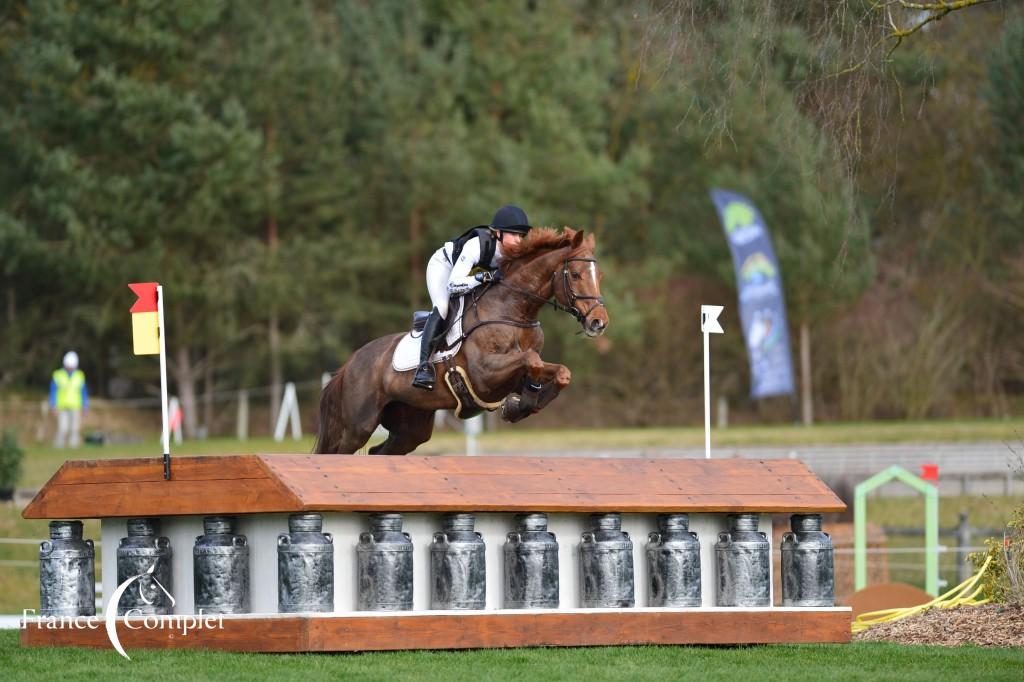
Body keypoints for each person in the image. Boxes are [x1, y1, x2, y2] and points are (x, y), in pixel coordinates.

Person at [412, 205, 533, 390]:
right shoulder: (478, 245)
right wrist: (485, 277)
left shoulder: (514, 256)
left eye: (521, 236)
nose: (519, 240)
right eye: (514, 234)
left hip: (468, 277)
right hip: (444, 268)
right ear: (498, 233)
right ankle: (423, 366)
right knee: (443, 306)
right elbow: (453, 286)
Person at [50, 351, 88, 448]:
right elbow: (53, 391)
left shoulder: (80, 375)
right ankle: (59, 446)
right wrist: (53, 404)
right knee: (63, 428)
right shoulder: (58, 375)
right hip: (62, 406)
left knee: (75, 429)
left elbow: (83, 392)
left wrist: (85, 405)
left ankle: (73, 447)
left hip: (75, 406)